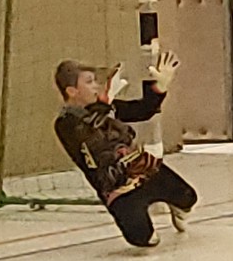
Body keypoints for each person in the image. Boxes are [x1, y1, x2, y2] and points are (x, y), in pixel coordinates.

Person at [53, 47, 196, 249]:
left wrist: (160, 87)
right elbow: (90, 137)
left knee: (189, 197)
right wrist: (104, 104)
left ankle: (176, 205)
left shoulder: (105, 108)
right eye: (89, 82)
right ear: (72, 91)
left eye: (96, 81)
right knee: (143, 239)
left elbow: (143, 110)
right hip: (117, 189)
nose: (96, 86)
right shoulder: (66, 123)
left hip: (143, 170)